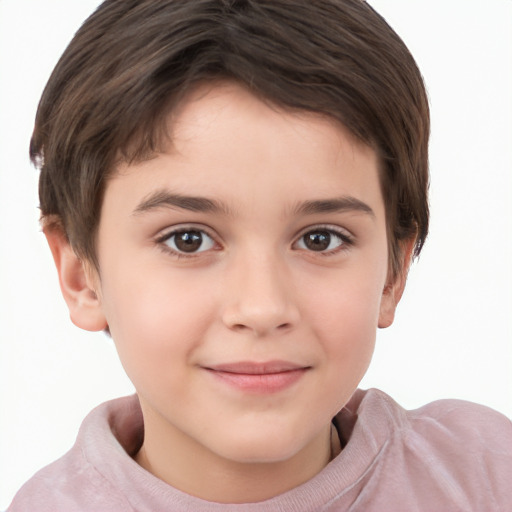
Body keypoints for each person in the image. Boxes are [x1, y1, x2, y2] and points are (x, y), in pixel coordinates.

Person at [7, 0, 512, 510]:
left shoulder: (485, 475)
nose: (262, 308)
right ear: (80, 276)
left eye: (321, 239)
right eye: (188, 239)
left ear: (393, 273)